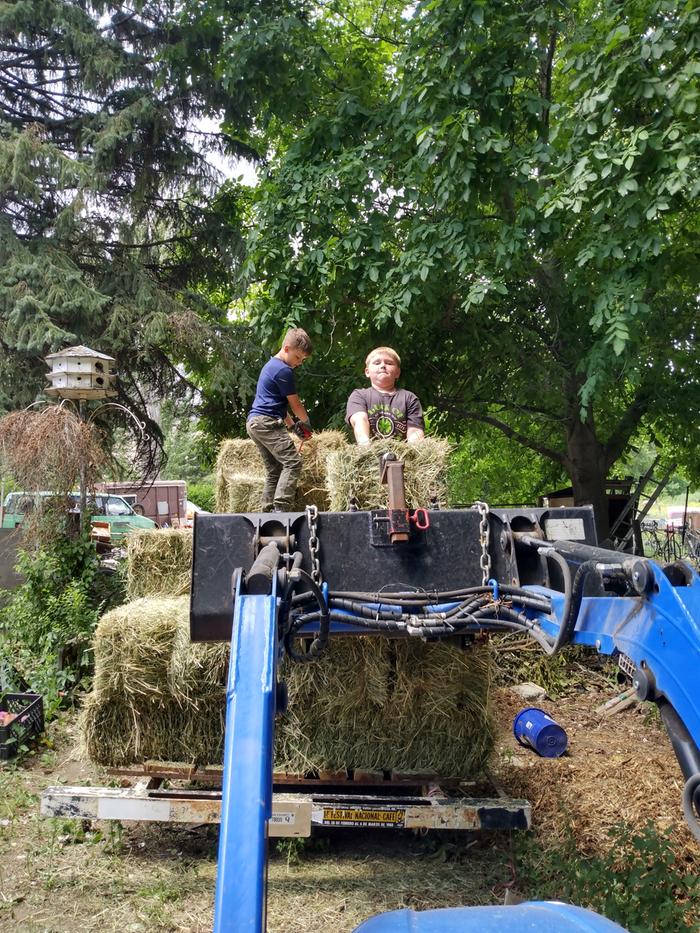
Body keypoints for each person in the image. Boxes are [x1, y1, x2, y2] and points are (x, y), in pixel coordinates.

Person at [246, 328, 313, 511]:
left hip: (255, 422)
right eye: (298, 357)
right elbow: (295, 405)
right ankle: (281, 509)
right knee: (293, 463)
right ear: (286, 348)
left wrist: (293, 427)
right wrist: (306, 423)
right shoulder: (284, 371)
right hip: (267, 423)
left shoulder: (270, 366)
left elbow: (279, 408)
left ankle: (267, 511)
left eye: (303, 360)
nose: (299, 363)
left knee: (274, 469)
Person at [345, 346, 425, 445]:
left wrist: (413, 454)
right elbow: (360, 421)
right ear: (367, 372)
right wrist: (366, 448)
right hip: (369, 455)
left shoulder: (409, 398)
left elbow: (415, 432)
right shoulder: (359, 395)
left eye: (389, 363)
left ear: (397, 373)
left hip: (401, 457)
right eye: (377, 363)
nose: (383, 366)